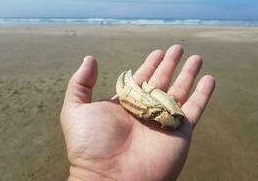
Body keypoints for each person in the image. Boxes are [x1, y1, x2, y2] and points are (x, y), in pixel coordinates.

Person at [60, 45, 216, 181]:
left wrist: (91, 175)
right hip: (165, 116)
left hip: (168, 117)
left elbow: (170, 117)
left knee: (165, 112)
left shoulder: (171, 117)